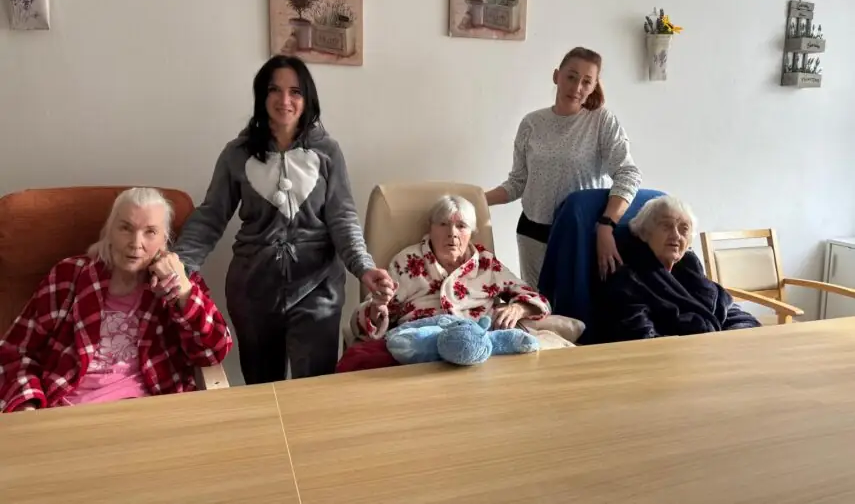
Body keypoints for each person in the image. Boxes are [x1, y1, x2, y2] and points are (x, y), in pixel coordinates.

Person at [173, 55, 393, 384]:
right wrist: (179, 266)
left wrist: (364, 267)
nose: (284, 100)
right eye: (274, 90)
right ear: (262, 96)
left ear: (307, 98)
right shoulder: (236, 153)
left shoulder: (328, 152)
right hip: (252, 287)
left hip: (318, 286)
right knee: (264, 388)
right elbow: (211, 216)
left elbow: (343, 218)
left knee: (315, 387)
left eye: (295, 91)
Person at [0, 187, 232, 413]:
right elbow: (15, 352)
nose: (136, 243)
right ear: (110, 231)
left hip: (152, 411)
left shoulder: (179, 283)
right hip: (70, 411)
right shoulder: (68, 275)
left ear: (165, 240)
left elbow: (213, 352)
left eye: (150, 232)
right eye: (125, 228)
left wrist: (184, 293)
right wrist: (26, 403)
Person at [485, 47, 642, 287]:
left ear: (594, 86)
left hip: (579, 234)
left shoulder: (601, 121)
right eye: (571, 76)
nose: (577, 87)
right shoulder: (531, 123)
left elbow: (628, 174)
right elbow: (518, 182)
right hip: (532, 234)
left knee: (576, 305)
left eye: (586, 81)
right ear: (556, 76)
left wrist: (607, 225)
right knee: (537, 305)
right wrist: (476, 199)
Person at [351, 195, 552, 341]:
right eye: (443, 224)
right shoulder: (407, 261)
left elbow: (536, 299)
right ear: (430, 228)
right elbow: (369, 318)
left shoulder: (486, 262)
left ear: (472, 232)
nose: (452, 233)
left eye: (461, 226)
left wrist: (518, 308)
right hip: (421, 341)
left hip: (480, 340)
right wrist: (377, 307)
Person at [598, 196, 761, 341]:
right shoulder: (628, 281)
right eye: (666, 226)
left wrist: (732, 341)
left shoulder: (690, 272)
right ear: (644, 233)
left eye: (684, 229)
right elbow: (643, 339)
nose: (676, 235)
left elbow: (738, 317)